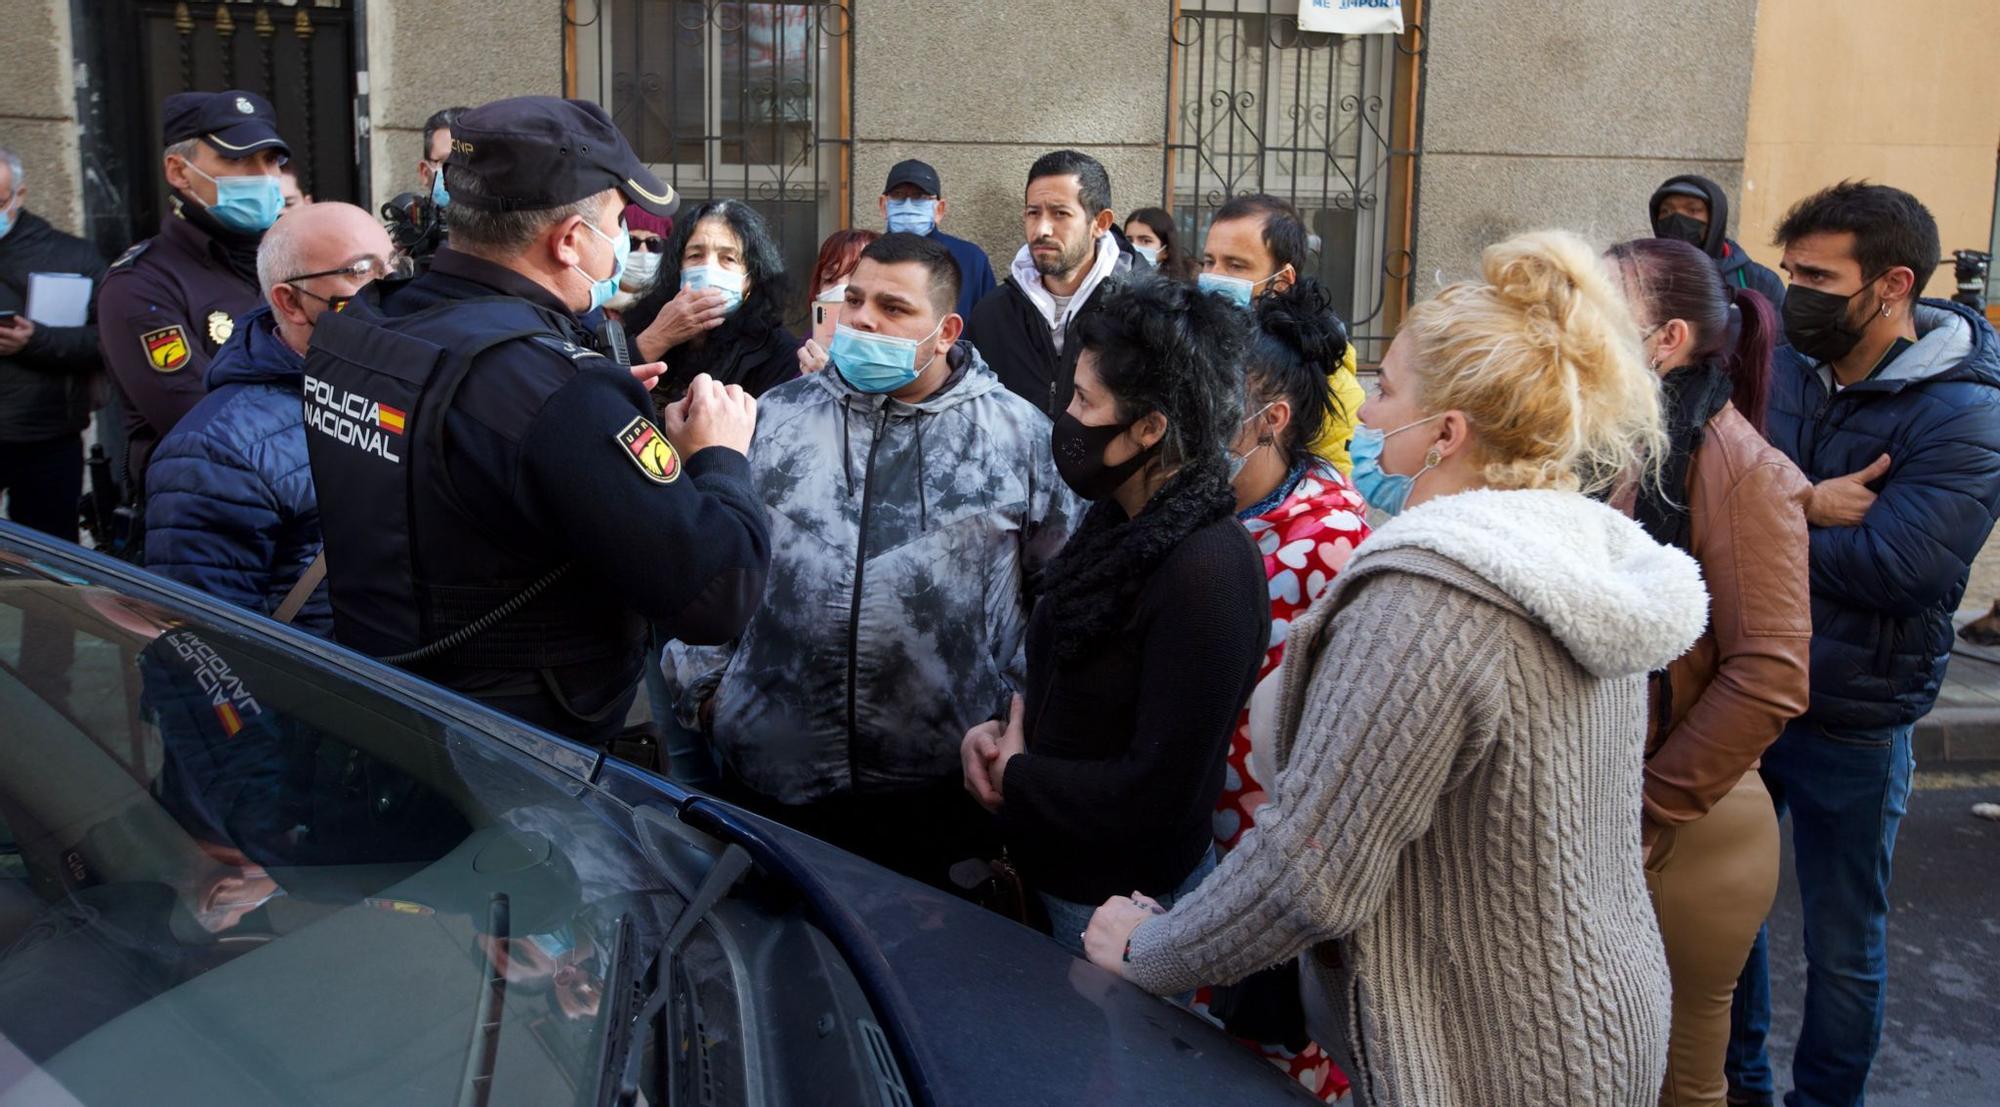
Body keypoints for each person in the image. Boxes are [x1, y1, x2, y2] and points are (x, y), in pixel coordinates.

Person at [1082, 231, 1709, 1107]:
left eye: (1389, 388)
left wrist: (1150, 949)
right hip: (1596, 1023)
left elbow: (1310, 872)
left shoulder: (1431, 597)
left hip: (1494, 1054)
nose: (1366, 414)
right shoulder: (1576, 555)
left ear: (1448, 431)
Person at [301, 95, 771, 746]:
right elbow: (719, 592)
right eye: (615, 220)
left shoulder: (370, 322)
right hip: (512, 763)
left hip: (382, 713)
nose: (618, 248)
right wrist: (719, 456)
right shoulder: (560, 393)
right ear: (571, 241)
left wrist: (590, 423)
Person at [666, 232, 1076, 887]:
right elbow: (712, 557)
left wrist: (1013, 718)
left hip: (941, 799)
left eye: (892, 307)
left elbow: (1058, 597)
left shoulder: (1016, 438)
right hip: (772, 784)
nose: (862, 319)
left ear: (945, 331)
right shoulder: (771, 420)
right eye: (854, 299)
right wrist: (710, 694)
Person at [1727, 182, 2000, 1107]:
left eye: (1815, 275)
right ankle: (1738, 1088)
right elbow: (1712, 496)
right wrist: (1805, 505)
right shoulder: (1789, 363)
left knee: (1844, 945)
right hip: (1749, 688)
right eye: (1790, 267)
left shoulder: (1965, 411)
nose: (1791, 290)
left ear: (1892, 284)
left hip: (1856, 716)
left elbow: (1900, 568)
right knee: (1733, 916)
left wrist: (1768, 518)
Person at [960, 271, 1267, 955]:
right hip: (1059, 882)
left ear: (1149, 428)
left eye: (1083, 400)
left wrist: (1020, 776)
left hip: (1117, 922)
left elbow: (1156, 793)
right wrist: (1003, 738)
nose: (1065, 416)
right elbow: (1079, 688)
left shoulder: (1207, 571)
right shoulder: (1118, 519)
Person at [1605, 236, 1812, 1107]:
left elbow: (1771, 671)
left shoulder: (1742, 469)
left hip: (1690, 831)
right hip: (1625, 814)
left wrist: (1650, 806)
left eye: (1600, 310)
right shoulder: (1619, 444)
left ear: (1668, 340)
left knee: (1680, 1084)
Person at [1191, 278, 1370, 1100]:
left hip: (1273, 868)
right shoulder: (1209, 501)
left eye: (1218, 400)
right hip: (1196, 850)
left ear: (1273, 419)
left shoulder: (1328, 539)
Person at [143, 202, 401, 636]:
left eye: (393, 265)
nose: (390, 287)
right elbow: (203, 647)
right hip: (315, 695)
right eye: (361, 270)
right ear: (290, 302)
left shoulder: (398, 386)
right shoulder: (214, 452)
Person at [96, 90, 288, 491]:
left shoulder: (290, 261)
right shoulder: (141, 284)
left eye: (270, 160)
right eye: (237, 159)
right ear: (179, 171)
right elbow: (203, 421)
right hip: (203, 509)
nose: (264, 176)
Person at [965, 149, 1145, 417]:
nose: (1041, 230)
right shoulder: (992, 315)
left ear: (1101, 223)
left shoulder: (1145, 314)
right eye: (1033, 213)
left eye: (1060, 213)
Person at [1198, 193, 1365, 477]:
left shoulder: (1325, 378)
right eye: (1209, 261)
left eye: (1236, 265)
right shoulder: (1194, 346)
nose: (1215, 277)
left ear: (1283, 281)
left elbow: (1332, 497)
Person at [0, 145, 109, 543]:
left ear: (20, 195)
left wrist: (35, 341)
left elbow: (109, 339)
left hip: (47, 436)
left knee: (48, 565)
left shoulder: (71, 255)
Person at [622, 198, 801, 401]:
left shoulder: (776, 352)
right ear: (677, 269)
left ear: (749, 280)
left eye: (728, 259)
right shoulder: (645, 325)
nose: (708, 268)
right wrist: (658, 337)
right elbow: (604, 390)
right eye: (695, 255)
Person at [879, 159, 996, 318]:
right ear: (883, 206)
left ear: (939, 209)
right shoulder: (866, 257)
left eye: (919, 196)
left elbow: (989, 324)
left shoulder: (970, 259)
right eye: (898, 195)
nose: (908, 205)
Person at [1650, 175, 1787, 310]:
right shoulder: (1642, 275)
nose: (1677, 218)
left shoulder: (1758, 281)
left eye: (1692, 210)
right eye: (1666, 211)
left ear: (1715, 219)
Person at [604, 203, 670, 318]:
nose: (643, 252)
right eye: (632, 242)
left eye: (654, 243)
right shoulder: (588, 303)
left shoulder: (670, 306)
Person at [1124, 207, 1196, 283]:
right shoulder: (1116, 280)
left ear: (1166, 250)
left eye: (1146, 241)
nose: (1134, 247)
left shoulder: (1181, 289)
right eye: (1129, 240)